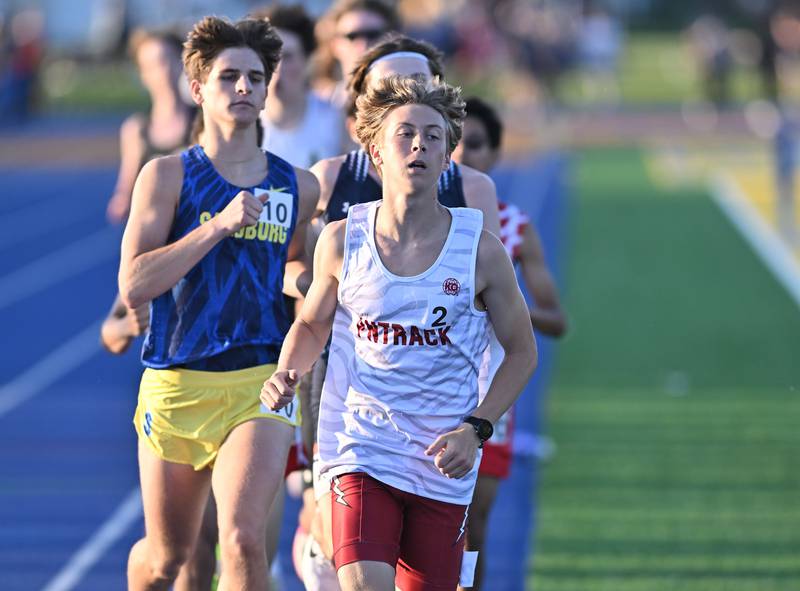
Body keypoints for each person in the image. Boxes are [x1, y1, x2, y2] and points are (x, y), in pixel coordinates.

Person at [261, 75, 537, 591]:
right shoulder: (344, 240)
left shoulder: (480, 250)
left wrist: (476, 429)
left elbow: (521, 352)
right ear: (375, 152)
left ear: (449, 154)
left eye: (434, 136)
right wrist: (287, 372)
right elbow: (313, 322)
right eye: (405, 133)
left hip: (442, 459)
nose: (419, 145)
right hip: (360, 447)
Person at [118, 15, 318, 590]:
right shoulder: (166, 177)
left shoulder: (296, 186)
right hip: (179, 379)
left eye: (256, 77)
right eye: (229, 76)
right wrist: (217, 227)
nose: (244, 89)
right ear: (198, 88)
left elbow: (292, 265)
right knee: (167, 562)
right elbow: (134, 283)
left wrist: (311, 282)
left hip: (261, 379)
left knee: (242, 541)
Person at [452, 96, 567, 590]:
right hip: (415, 385)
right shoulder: (411, 221)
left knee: (474, 523)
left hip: (489, 390)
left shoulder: (516, 227)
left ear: (496, 156)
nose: (460, 157)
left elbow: (556, 320)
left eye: (474, 146)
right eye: (451, 143)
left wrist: (508, 305)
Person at [106, 28, 196, 224]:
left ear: (182, 63)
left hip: (193, 234)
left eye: (166, 60)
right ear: (143, 74)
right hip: (154, 239)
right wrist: (121, 202)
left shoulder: (202, 122)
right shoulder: (136, 129)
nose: (162, 71)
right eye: (151, 65)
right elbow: (125, 189)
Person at [257, 4, 344, 168]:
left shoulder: (334, 120)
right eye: (270, 57)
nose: (278, 68)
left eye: (288, 57)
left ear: (307, 61)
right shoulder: (243, 123)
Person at [313, 0, 400, 108]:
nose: (363, 45)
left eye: (372, 34)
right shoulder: (319, 107)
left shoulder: (413, 103)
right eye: (352, 36)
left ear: (393, 39)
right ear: (334, 44)